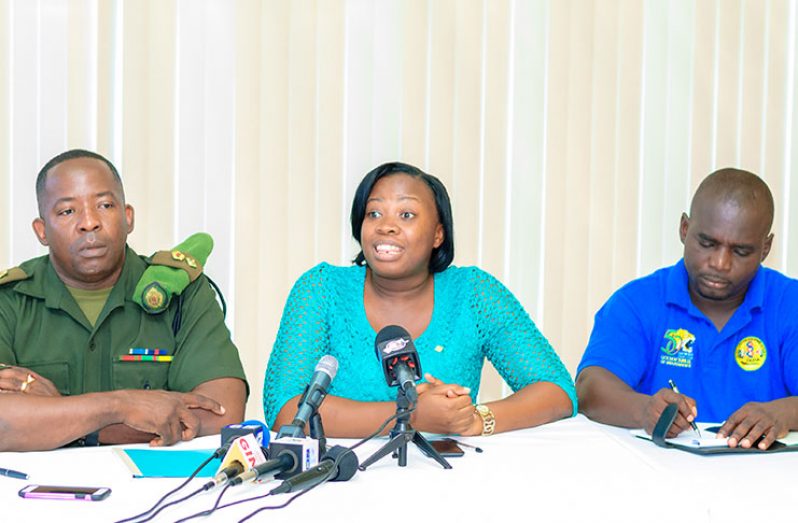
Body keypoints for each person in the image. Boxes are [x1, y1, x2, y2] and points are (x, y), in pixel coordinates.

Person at [263, 162, 575, 438]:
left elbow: (557, 391)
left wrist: (474, 420)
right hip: (338, 479)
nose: (386, 225)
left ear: (438, 234)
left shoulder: (474, 293)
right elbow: (286, 409)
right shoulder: (322, 289)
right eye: (374, 213)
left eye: (407, 214)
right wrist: (410, 415)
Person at [0, 149, 247, 451]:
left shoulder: (182, 293)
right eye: (67, 211)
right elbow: (3, 423)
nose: (89, 222)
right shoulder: (8, 301)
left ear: (128, 217)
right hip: (30, 492)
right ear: (42, 231)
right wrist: (121, 405)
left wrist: (59, 417)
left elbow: (222, 413)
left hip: (158, 489)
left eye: (104, 205)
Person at [576, 168, 798, 450]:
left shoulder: (790, 304)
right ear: (684, 229)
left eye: (741, 251)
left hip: (769, 484)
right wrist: (645, 409)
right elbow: (589, 387)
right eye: (707, 243)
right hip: (656, 481)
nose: (720, 263)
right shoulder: (637, 301)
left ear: (765, 248)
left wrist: (784, 413)